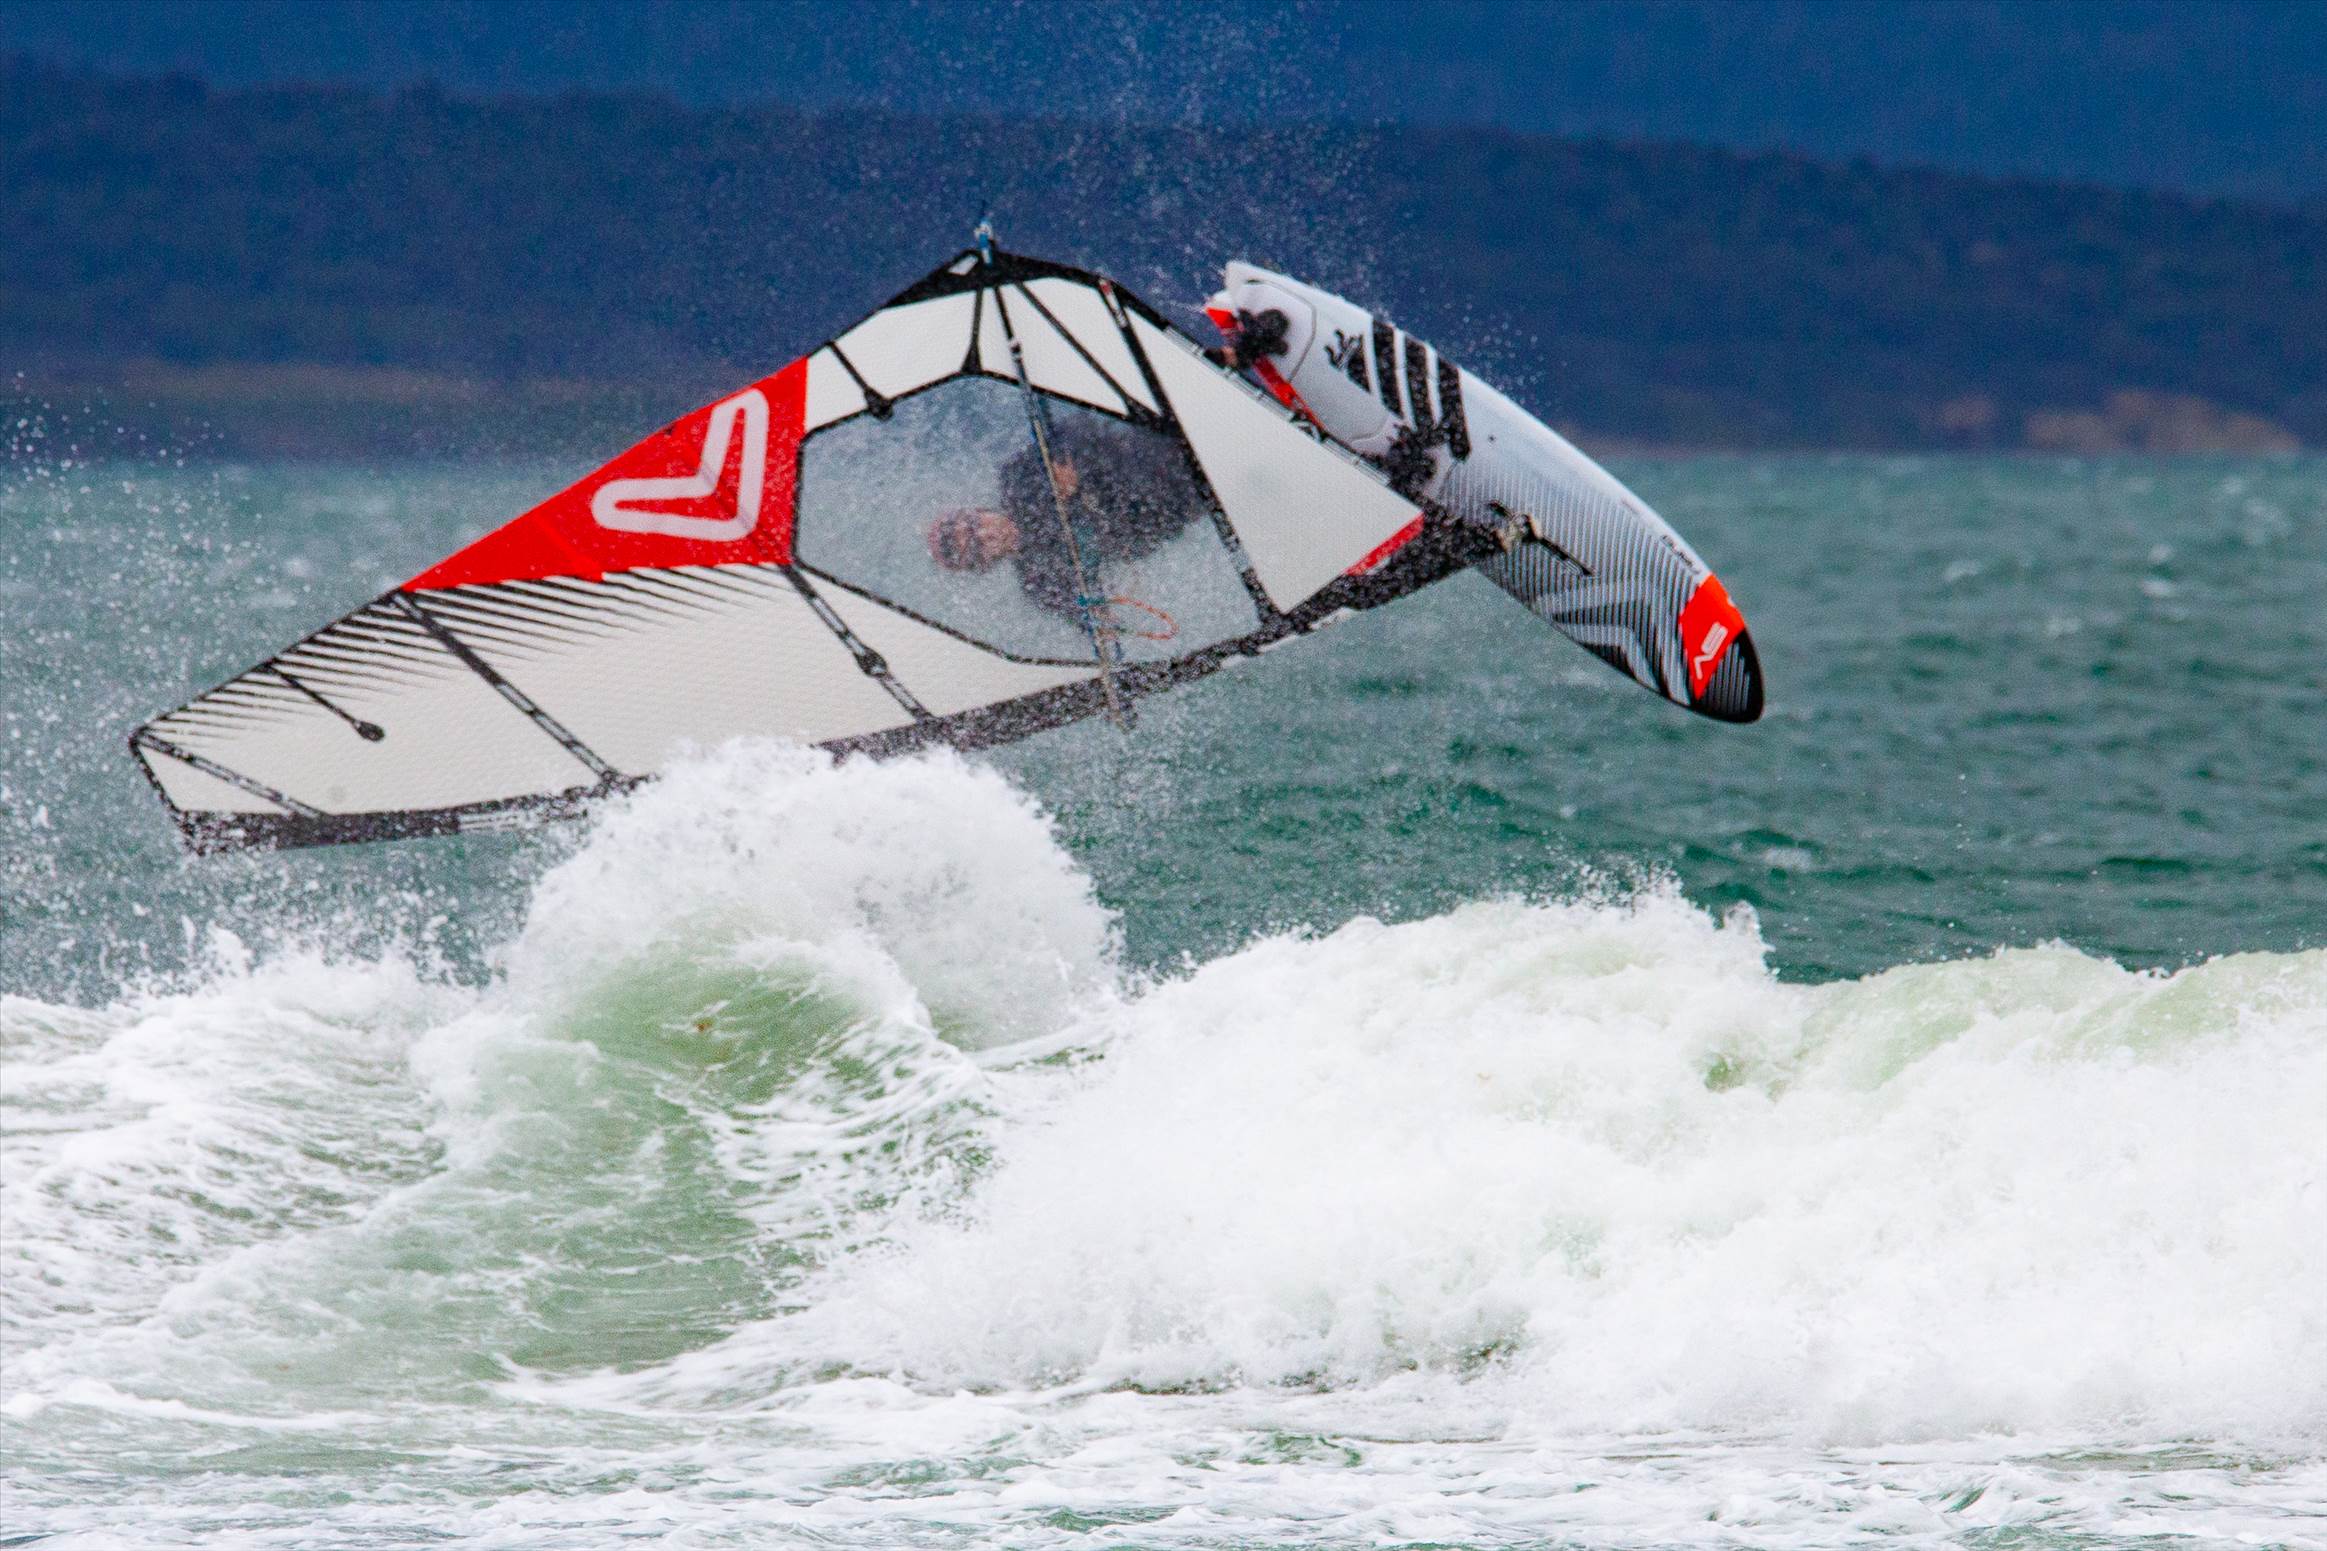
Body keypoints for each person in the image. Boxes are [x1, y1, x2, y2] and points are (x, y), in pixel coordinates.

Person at [926, 416, 1210, 618]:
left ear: (979, 510)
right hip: (1184, 508)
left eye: (974, 525)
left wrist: (1075, 466)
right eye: (977, 547)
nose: (986, 534)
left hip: (1160, 453)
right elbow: (1098, 621)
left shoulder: (1018, 478)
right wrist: (1101, 616)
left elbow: (1077, 428)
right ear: (985, 564)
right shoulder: (1040, 583)